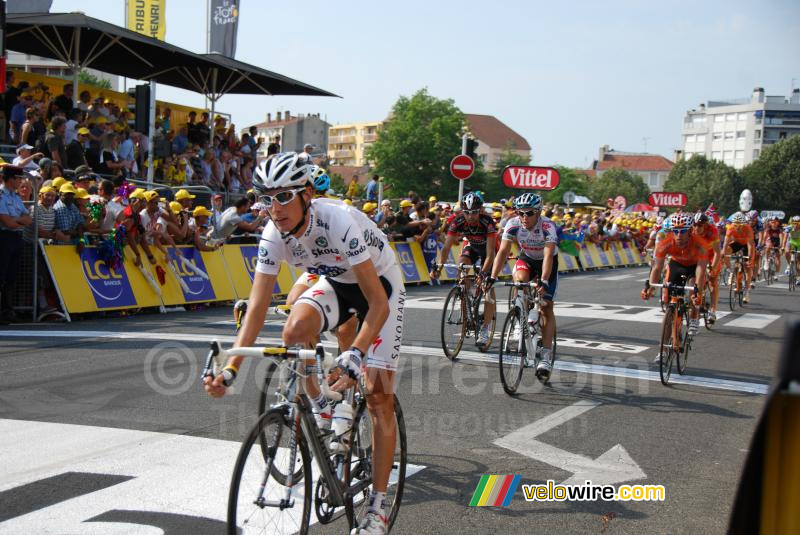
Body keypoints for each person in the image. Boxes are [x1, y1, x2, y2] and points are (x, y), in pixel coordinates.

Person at [205, 152, 404, 535]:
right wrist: (230, 368)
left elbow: (376, 302)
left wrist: (355, 355)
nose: (274, 208)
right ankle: (322, 403)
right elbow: (258, 308)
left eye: (283, 197)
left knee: (378, 394)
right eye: (266, 198)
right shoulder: (272, 234)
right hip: (336, 283)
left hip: (381, 285)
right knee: (294, 331)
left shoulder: (339, 221)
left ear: (307, 194)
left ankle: (378, 505)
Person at [487, 193, 558, 376]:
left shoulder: (548, 226)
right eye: (521, 213)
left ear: (538, 212)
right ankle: (519, 319)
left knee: (546, 307)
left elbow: (549, 255)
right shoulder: (513, 224)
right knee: (519, 281)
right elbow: (503, 251)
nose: (524, 217)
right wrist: (492, 276)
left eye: (529, 213)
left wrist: (543, 280)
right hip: (526, 258)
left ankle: (546, 356)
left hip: (546, 262)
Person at [430, 192, 497, 347]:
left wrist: (482, 273)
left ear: (480, 210)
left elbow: (490, 255)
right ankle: (466, 313)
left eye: (474, 212)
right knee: (461, 268)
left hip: (489, 251)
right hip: (472, 247)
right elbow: (446, 247)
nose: (470, 216)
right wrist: (439, 266)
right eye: (467, 212)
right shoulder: (458, 220)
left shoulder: (488, 222)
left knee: (487, 285)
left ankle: (485, 329)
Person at [644, 213, 708, 338]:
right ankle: (664, 350)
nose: (679, 235)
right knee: (668, 300)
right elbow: (657, 268)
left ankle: (694, 317)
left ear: (690, 231)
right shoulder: (665, 243)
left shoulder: (700, 244)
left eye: (683, 231)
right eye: (676, 231)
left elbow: (700, 270)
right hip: (677, 265)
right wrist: (651, 288)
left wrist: (697, 292)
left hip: (694, 267)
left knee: (692, 292)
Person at [0, 166, 34, 323]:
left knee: (11, 276)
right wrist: (18, 221)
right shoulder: (1, 195)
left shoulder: (15, 197)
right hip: (4, 237)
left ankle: (7, 311)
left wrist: (16, 222)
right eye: (18, 178)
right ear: (10, 179)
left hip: (15, 238)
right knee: (1, 274)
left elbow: (28, 219)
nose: (20, 181)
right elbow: (7, 222)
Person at [692, 212, 721, 323]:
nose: (696, 228)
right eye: (694, 225)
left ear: (705, 225)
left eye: (700, 225)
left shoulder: (712, 232)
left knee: (712, 281)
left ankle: (713, 310)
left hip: (711, 256)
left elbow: (717, 253)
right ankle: (698, 302)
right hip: (699, 255)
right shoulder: (691, 231)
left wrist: (712, 268)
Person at [723, 212, 756, 303]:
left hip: (747, 245)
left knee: (748, 267)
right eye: (735, 225)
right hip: (737, 243)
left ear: (743, 224)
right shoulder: (730, 228)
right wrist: (723, 253)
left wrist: (749, 257)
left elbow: (750, 245)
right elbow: (726, 242)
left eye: (739, 225)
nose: (737, 227)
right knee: (726, 251)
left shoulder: (748, 229)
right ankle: (730, 271)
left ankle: (747, 291)